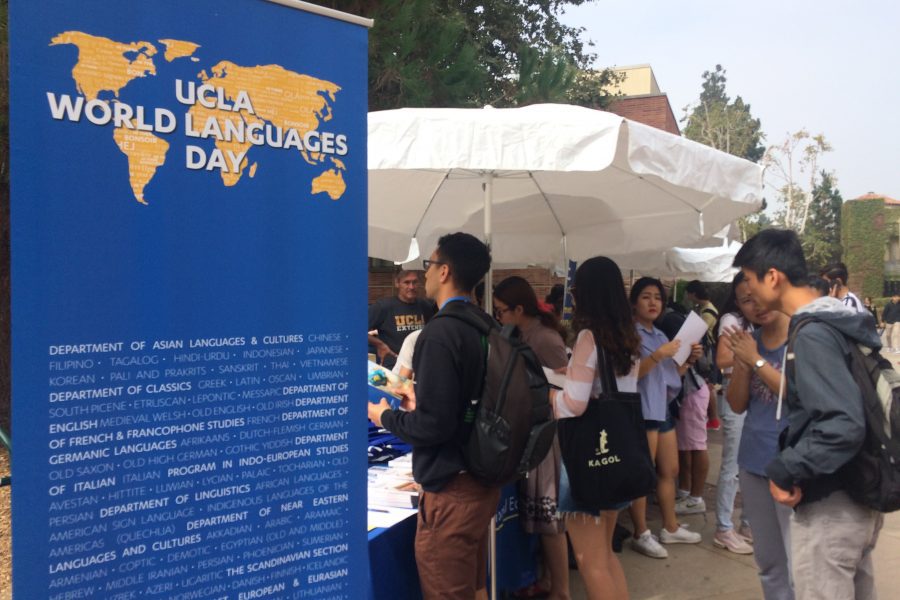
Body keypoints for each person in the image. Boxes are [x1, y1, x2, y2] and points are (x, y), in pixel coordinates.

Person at [733, 229, 883, 600]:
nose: (748, 291)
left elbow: (842, 423)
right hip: (854, 490)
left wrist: (786, 467)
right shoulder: (837, 321)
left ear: (772, 277)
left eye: (749, 279)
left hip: (830, 503)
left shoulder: (812, 333)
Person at [367, 233, 497, 599]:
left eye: (429, 264)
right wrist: (420, 403)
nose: (424, 274)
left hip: (452, 488)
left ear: (445, 271)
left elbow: (433, 425)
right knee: (475, 585)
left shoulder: (439, 334)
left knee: (447, 591)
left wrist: (385, 418)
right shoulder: (485, 325)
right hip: (482, 474)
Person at [549, 256, 637, 600]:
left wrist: (547, 397)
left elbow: (574, 404)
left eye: (575, 289)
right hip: (618, 455)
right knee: (606, 555)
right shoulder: (627, 337)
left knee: (590, 561)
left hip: (586, 458)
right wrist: (572, 371)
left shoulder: (589, 336)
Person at [493, 276, 570, 599]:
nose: (498, 317)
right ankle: (546, 580)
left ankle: (561, 590)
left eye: (501, 311)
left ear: (519, 309)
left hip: (548, 436)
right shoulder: (520, 334)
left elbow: (569, 389)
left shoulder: (545, 338)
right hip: (530, 433)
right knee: (538, 518)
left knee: (549, 519)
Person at [628, 277, 703, 559]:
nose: (653, 302)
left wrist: (688, 360)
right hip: (642, 411)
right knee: (642, 475)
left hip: (662, 409)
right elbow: (630, 375)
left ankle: (670, 527)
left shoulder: (660, 335)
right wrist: (658, 355)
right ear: (634, 302)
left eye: (658, 297)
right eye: (646, 296)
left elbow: (671, 380)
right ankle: (641, 533)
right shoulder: (629, 334)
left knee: (669, 470)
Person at [726, 298, 793, 599]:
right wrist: (742, 363)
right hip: (753, 462)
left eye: (759, 295)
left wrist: (755, 360)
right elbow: (737, 404)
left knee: (798, 561)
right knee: (768, 561)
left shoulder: (803, 339)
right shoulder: (750, 343)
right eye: (745, 300)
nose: (755, 305)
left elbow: (797, 393)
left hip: (793, 465)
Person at [710, 273, 755, 555]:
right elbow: (722, 359)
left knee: (752, 463)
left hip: (755, 392)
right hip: (734, 387)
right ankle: (724, 528)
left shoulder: (758, 320)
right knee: (733, 464)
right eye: (745, 298)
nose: (752, 301)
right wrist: (750, 355)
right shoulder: (731, 320)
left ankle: (748, 523)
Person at [368, 270, 436, 369]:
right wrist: (379, 344)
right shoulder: (383, 307)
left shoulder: (425, 306)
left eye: (415, 282)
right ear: (397, 283)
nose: (411, 287)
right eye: (406, 282)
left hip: (421, 365)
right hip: (394, 366)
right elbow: (357, 331)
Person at [685, 280, 721, 430]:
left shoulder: (708, 311)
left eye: (688, 294)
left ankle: (713, 419)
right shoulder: (704, 308)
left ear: (693, 293)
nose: (687, 297)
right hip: (705, 350)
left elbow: (700, 331)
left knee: (708, 383)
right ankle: (711, 419)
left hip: (707, 351)